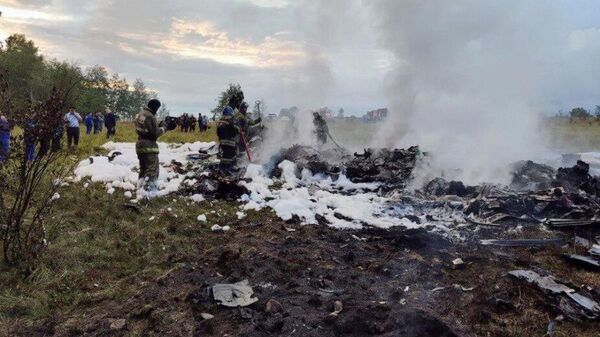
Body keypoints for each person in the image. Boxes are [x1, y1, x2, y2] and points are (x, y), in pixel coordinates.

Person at [135, 99, 175, 192]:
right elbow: (155, 133)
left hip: (139, 144)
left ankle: (140, 187)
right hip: (149, 145)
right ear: (155, 107)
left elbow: (147, 125)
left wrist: (160, 122)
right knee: (152, 169)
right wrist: (166, 127)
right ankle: (148, 192)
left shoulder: (140, 114)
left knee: (143, 168)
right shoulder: (150, 117)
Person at [217, 92, 243, 176]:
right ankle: (225, 169)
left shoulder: (225, 115)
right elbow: (232, 126)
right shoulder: (229, 114)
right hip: (228, 139)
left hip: (224, 138)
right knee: (229, 154)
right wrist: (237, 129)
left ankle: (228, 167)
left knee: (229, 154)